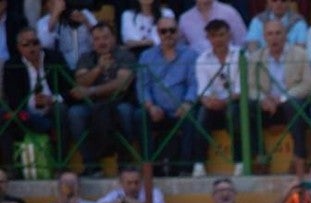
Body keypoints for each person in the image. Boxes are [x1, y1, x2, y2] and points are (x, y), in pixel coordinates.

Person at [68, 23, 138, 177]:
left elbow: (122, 84)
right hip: (92, 105)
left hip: (119, 102)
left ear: (114, 38)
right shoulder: (87, 57)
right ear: (92, 42)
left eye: (106, 37)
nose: (102, 42)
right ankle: (91, 164)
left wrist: (91, 91)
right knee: (75, 113)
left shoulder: (125, 55)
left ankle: (125, 162)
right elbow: (80, 82)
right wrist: (98, 69)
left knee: (125, 112)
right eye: (97, 39)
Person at [248, 19, 311, 168]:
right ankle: (260, 156)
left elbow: (308, 84)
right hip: (266, 106)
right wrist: (263, 99)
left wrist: (284, 98)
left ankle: (299, 156)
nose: (274, 37)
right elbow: (251, 87)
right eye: (270, 34)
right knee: (245, 107)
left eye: (278, 33)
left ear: (285, 35)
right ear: (264, 37)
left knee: (294, 106)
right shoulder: (255, 58)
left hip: (290, 102)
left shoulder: (300, 54)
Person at [3, 26, 74, 164]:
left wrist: (52, 99)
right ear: (19, 47)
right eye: (26, 44)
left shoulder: (54, 58)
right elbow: (13, 98)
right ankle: (10, 169)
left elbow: (71, 89)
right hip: (25, 115)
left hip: (52, 110)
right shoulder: (12, 65)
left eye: (35, 43)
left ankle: (61, 163)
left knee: (61, 110)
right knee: (6, 116)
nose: (32, 48)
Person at [137, 15, 196, 175]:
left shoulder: (190, 55)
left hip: (181, 108)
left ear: (178, 32)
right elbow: (143, 86)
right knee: (140, 116)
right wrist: (151, 106)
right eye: (164, 31)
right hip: (156, 110)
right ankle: (150, 166)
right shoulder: (146, 56)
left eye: (172, 30)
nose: (168, 34)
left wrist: (187, 103)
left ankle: (185, 167)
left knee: (192, 117)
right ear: (158, 33)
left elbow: (193, 84)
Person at [191, 18, 247, 177]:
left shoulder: (241, 55)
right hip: (213, 104)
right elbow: (202, 91)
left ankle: (240, 162)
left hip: (235, 101)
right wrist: (208, 102)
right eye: (214, 36)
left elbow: (242, 88)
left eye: (222, 35)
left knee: (234, 113)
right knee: (201, 115)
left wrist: (225, 101)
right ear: (208, 38)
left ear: (229, 35)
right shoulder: (202, 59)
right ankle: (199, 164)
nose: (218, 40)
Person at [35, 0, 97, 69]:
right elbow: (44, 44)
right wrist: (55, 15)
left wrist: (85, 21)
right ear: (46, 5)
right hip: (61, 67)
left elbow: (99, 35)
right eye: (51, 2)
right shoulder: (43, 22)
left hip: (87, 63)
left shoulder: (85, 13)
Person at [178, 0, 247, 55]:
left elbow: (242, 42)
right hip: (197, 68)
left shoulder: (229, 12)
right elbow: (180, 49)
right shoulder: (184, 19)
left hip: (229, 65)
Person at [95, 165, 166, 203]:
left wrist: (125, 200)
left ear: (141, 181)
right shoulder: (117, 192)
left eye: (136, 182)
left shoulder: (154, 192)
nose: (133, 186)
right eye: (129, 183)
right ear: (121, 183)